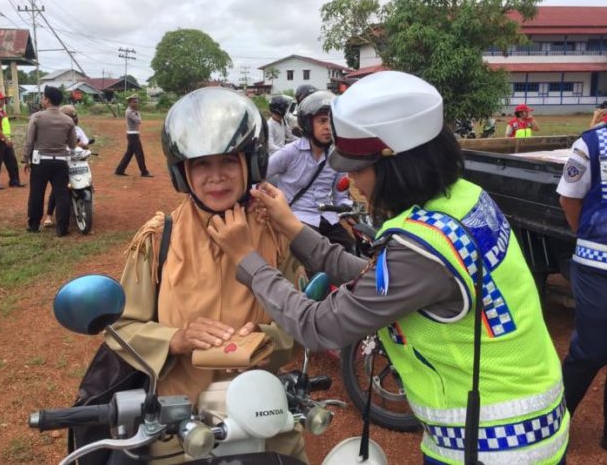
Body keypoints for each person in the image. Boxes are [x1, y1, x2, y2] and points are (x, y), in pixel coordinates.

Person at [208, 71, 569, 464]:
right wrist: (292, 227)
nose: (350, 180)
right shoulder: (462, 199)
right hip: (527, 423)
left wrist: (247, 259)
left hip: (490, 446)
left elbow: (319, 325)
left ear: (398, 164)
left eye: (359, 170)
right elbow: (376, 275)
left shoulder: (422, 247)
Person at [100, 87, 307, 462]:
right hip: (179, 429)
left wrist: (266, 341)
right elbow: (122, 327)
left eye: (228, 160)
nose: (216, 177)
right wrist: (175, 339)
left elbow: (300, 328)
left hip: (265, 422)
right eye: (200, 164)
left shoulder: (277, 234)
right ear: (183, 172)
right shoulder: (158, 237)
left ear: (251, 162)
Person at [556, 115, 607, 449]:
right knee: (591, 349)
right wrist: (586, 234)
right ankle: (553, 421)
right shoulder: (590, 144)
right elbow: (569, 200)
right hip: (596, 266)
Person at [267, 90, 354, 250]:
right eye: (322, 121)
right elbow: (260, 175)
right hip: (297, 218)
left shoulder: (337, 157)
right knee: (314, 256)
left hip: (327, 217)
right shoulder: (290, 152)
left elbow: (340, 195)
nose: (328, 128)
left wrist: (347, 208)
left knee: (349, 248)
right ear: (307, 123)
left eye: (331, 122)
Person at [22, 86, 76, 236]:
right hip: (60, 162)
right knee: (62, 194)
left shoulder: (37, 117)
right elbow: (72, 145)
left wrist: (25, 159)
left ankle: (33, 225)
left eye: (43, 97)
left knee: (36, 193)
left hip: (40, 162)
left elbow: (29, 141)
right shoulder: (68, 120)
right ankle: (62, 228)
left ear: (47, 99)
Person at [43, 105, 88, 228]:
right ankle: (49, 215)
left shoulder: (78, 130)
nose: (74, 119)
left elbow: (86, 144)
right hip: (63, 162)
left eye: (74, 116)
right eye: (71, 117)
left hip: (77, 161)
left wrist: (83, 146)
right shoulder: (58, 130)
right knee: (57, 189)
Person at [0, 90, 25, 189]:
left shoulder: (0, 111)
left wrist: (7, 139)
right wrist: (6, 139)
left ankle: (14, 181)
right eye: (1, 99)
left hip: (4, 140)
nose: (3, 101)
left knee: (12, 161)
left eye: (3, 99)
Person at [114, 94, 153, 177]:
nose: (136, 103)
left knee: (129, 154)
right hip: (133, 135)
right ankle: (144, 172)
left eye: (137, 102)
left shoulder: (132, 111)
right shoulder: (130, 112)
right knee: (139, 154)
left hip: (133, 135)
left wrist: (137, 112)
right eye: (134, 102)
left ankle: (119, 170)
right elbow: (138, 121)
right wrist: (138, 112)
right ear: (129, 103)